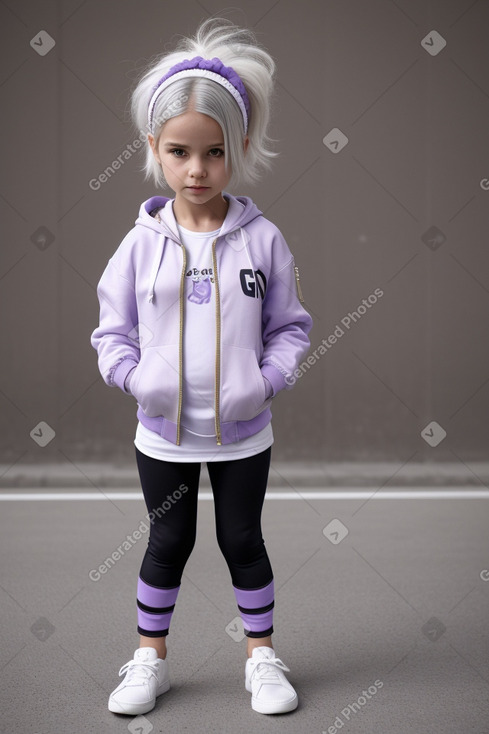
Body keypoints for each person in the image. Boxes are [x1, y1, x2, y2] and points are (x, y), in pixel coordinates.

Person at [91, 17, 313, 718]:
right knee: (168, 540)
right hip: (162, 433)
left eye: (213, 152)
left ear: (238, 149)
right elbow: (111, 333)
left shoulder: (263, 240)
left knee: (242, 539)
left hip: (244, 432)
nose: (196, 169)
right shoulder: (137, 245)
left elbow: (291, 329)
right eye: (180, 151)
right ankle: (148, 659)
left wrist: (264, 381)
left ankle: (262, 659)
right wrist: (137, 380)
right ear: (154, 149)